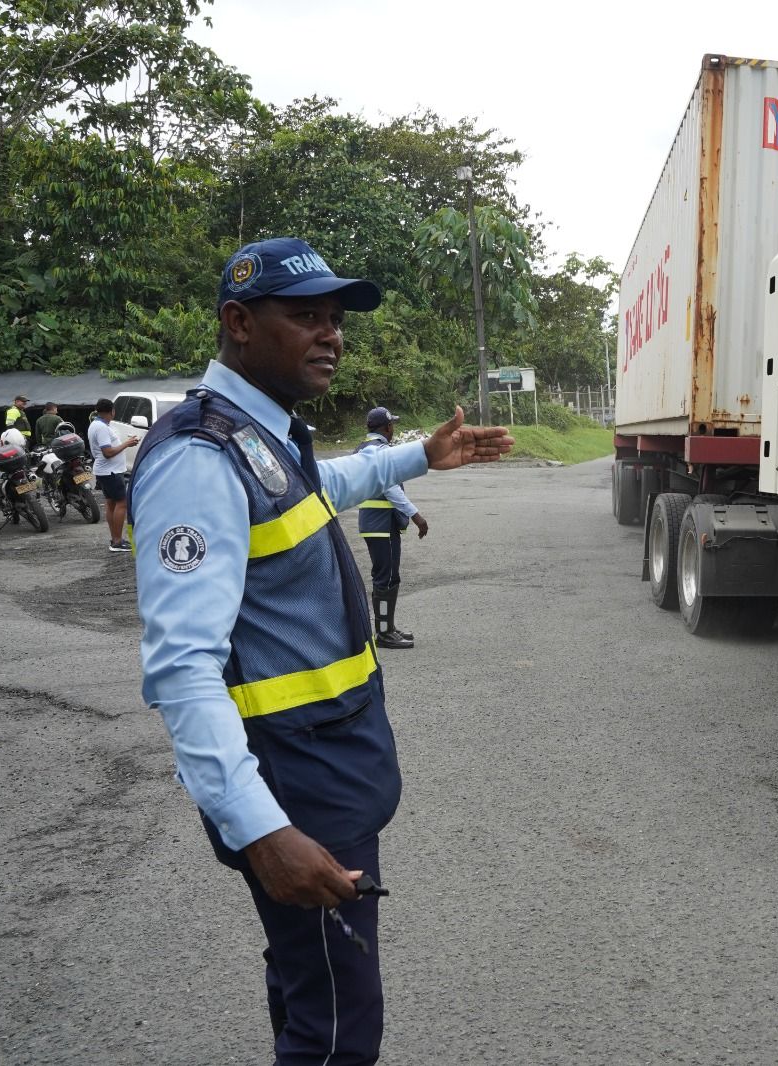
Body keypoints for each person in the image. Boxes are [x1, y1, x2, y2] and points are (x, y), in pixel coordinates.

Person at [129, 236, 512, 1065]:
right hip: (293, 787)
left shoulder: (261, 438)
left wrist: (420, 457)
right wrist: (261, 829)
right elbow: (181, 670)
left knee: (307, 984)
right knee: (339, 1027)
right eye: (306, 317)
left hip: (324, 766)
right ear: (238, 322)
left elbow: (317, 490)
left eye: (336, 319)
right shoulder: (200, 457)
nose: (331, 335)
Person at [355, 406, 428, 649]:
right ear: (386, 427)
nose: (393, 429)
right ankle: (384, 633)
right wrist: (416, 515)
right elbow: (390, 488)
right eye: (392, 425)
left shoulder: (365, 448)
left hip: (375, 523)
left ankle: (388, 628)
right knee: (385, 577)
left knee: (389, 576)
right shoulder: (380, 451)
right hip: (381, 524)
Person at [87, 397, 138, 552]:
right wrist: (127, 444)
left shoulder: (96, 425)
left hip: (107, 470)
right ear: (112, 411)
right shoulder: (101, 427)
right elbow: (108, 452)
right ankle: (117, 541)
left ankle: (115, 539)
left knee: (111, 504)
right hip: (110, 471)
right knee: (122, 503)